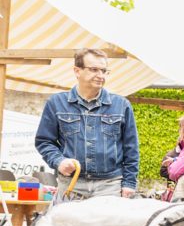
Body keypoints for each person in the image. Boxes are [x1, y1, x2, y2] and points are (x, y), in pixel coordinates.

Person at [35, 48, 139, 200]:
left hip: (109, 186)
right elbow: (44, 141)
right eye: (94, 69)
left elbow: (131, 149)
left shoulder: (121, 105)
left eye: (104, 71)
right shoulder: (56, 103)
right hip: (71, 184)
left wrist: (129, 183)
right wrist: (59, 161)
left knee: (105, 225)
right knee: (68, 224)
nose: (100, 75)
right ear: (77, 71)